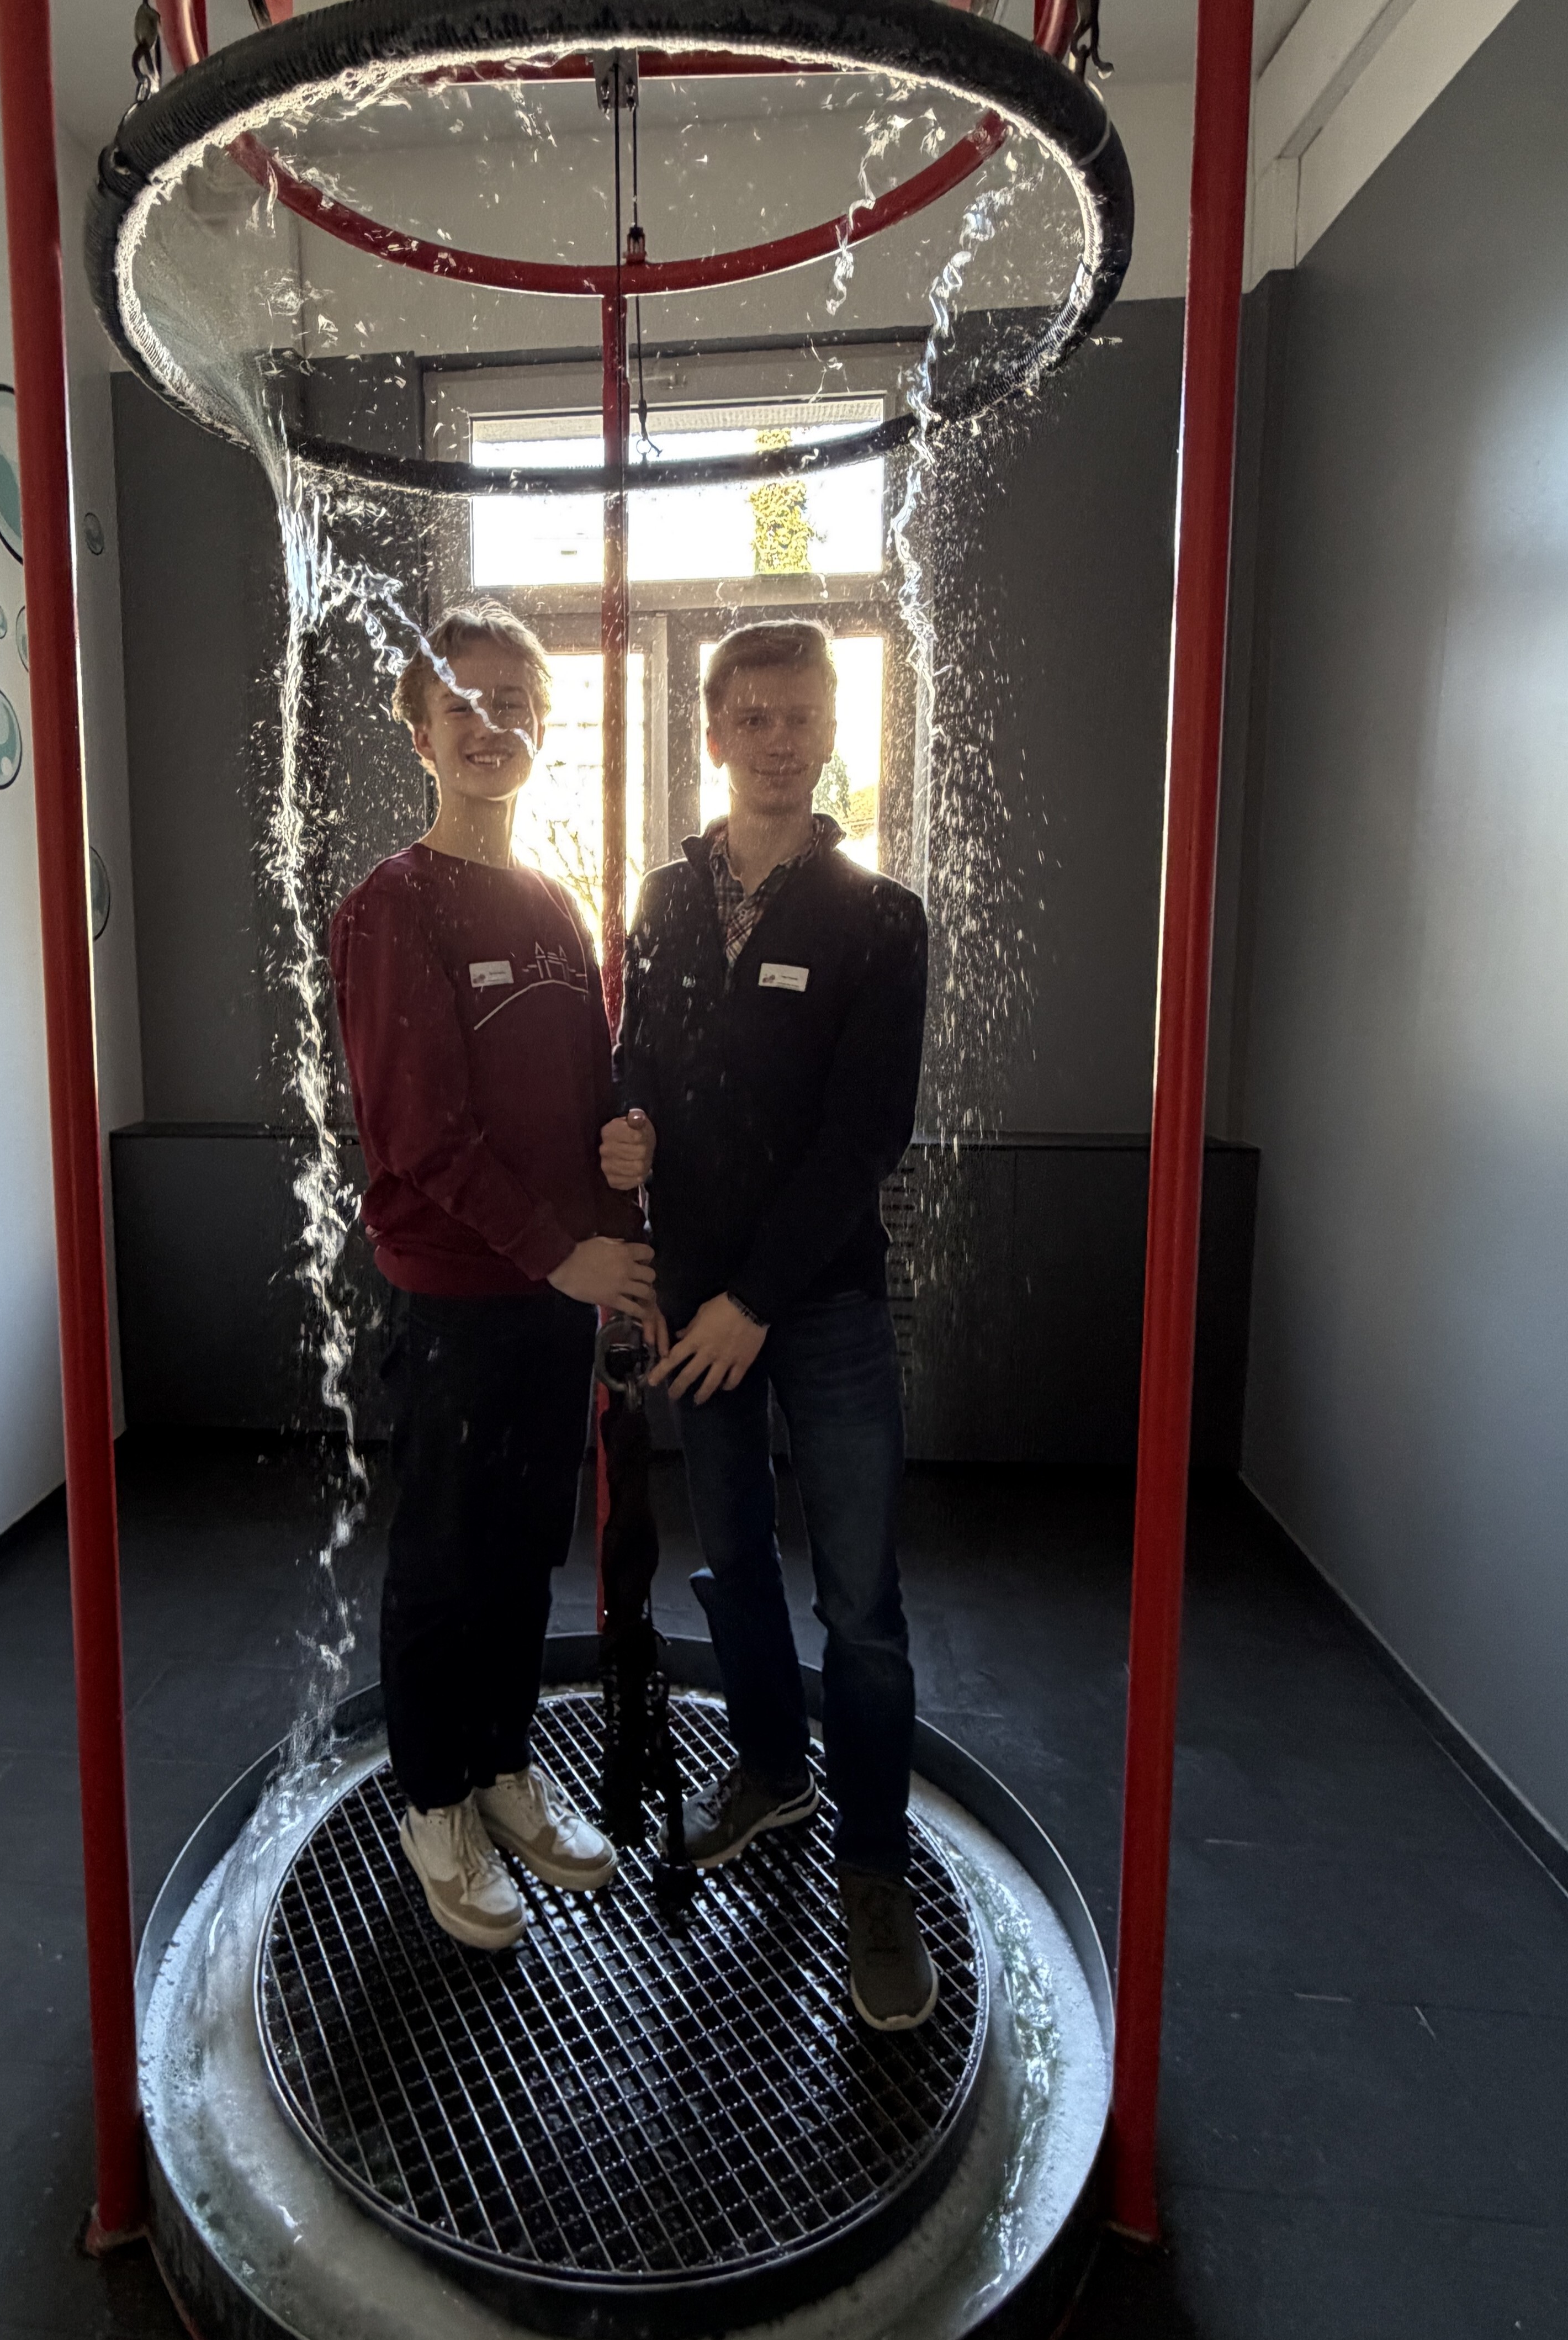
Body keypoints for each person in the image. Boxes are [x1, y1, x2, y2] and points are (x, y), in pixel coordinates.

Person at [613, 618, 935, 2030]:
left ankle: (873, 1868)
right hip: (696, 1302)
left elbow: (864, 1135)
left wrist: (758, 1300)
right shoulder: (663, 900)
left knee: (859, 1604)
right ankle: (768, 1772)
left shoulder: (879, 918)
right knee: (733, 1558)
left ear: (830, 729)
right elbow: (636, 1061)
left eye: (801, 714)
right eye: (751, 716)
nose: (778, 739)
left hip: (822, 1304)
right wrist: (623, 1128)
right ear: (712, 733)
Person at [329, 602, 653, 1953]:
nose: (489, 722)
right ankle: (433, 1802)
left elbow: (588, 1094)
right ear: (418, 731)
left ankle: (503, 1765)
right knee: (444, 1556)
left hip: (550, 1297)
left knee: (524, 1545)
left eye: (514, 699)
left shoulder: (552, 906)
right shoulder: (391, 909)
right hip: (458, 1296)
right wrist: (564, 1252)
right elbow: (419, 1134)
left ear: (541, 726)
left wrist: (623, 1148)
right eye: (461, 701)